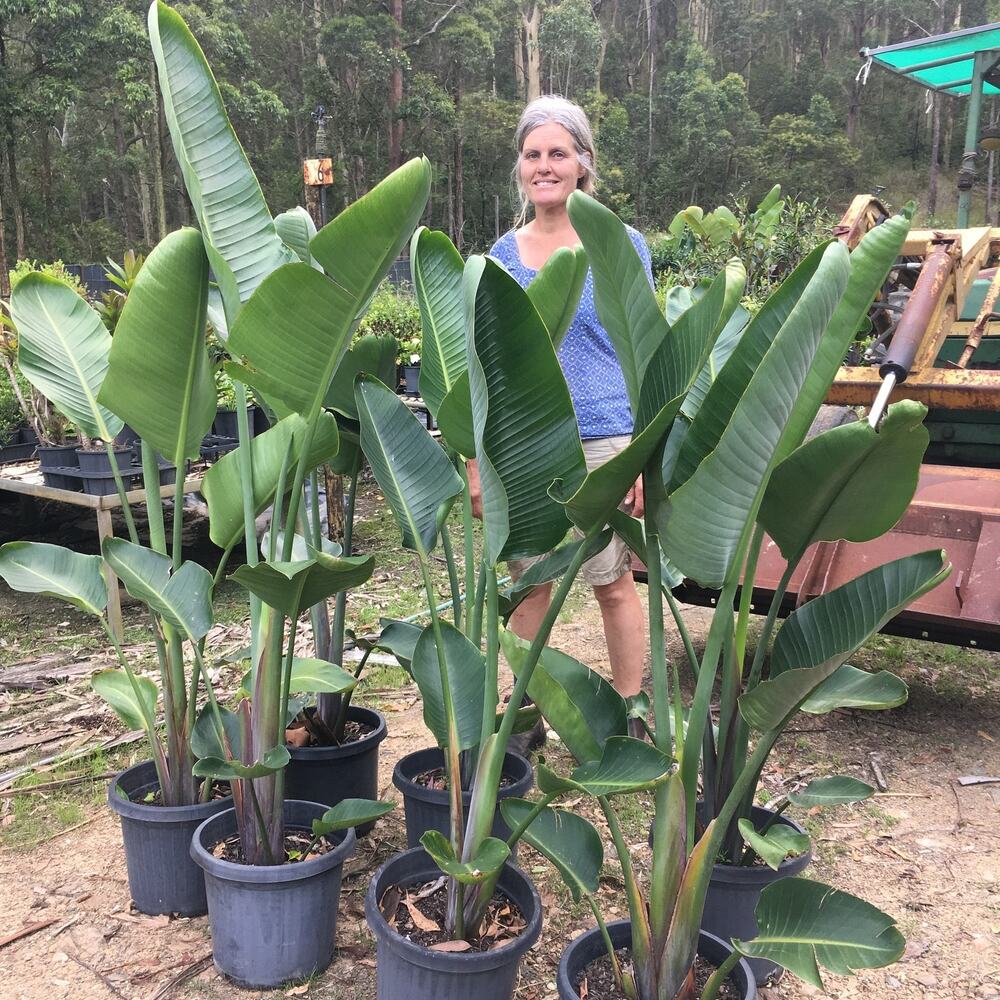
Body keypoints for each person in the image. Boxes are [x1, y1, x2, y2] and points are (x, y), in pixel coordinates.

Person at [468, 95, 651, 732]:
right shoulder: (503, 255)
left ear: (582, 163)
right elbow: (484, 364)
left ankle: (628, 709)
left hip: (605, 436)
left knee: (612, 580)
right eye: (532, 154)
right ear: (520, 167)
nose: (544, 165)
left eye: (558, 153)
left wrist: (641, 459)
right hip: (526, 446)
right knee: (532, 584)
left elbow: (642, 352)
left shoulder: (620, 244)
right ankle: (526, 712)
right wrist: (476, 460)